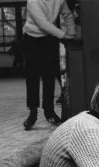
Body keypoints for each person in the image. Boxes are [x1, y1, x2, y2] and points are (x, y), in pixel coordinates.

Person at [23, 0, 75, 130]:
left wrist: (72, 32)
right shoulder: (33, 2)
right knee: (32, 76)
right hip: (31, 38)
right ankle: (33, 113)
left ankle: (49, 112)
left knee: (49, 76)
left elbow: (67, 15)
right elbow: (43, 24)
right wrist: (64, 35)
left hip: (49, 37)